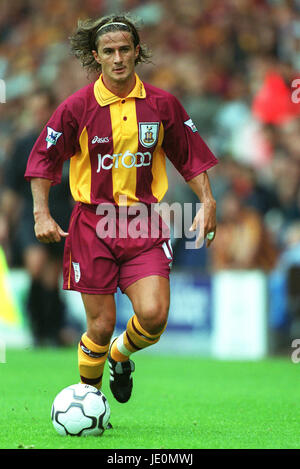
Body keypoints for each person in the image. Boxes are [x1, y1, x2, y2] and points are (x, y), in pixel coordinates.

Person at [24, 14, 218, 405]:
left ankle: (119, 355)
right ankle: (92, 405)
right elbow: (43, 159)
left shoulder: (163, 105)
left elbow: (189, 156)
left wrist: (208, 200)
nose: (117, 58)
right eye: (108, 51)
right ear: (96, 56)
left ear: (137, 52)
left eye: (124, 49)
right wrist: (41, 213)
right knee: (100, 324)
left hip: (143, 223)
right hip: (93, 224)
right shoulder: (77, 107)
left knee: (154, 315)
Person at [1, 89, 74, 346]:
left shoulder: (68, 143)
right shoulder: (23, 144)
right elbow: (11, 187)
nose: (38, 114)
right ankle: (37, 324)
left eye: (43, 108)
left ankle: (50, 330)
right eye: (34, 109)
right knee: (36, 265)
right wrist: (4, 220)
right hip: (30, 215)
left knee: (52, 275)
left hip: (63, 214)